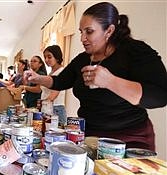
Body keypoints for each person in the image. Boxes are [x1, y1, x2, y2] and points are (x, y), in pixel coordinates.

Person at [24, 2, 167, 151]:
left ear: (109, 30)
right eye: (81, 32)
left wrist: (110, 81)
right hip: (90, 136)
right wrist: (37, 78)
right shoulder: (82, 59)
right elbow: (60, 81)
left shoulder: (135, 52)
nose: (82, 38)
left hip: (129, 139)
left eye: (89, 31)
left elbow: (159, 96)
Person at [41, 45, 67, 126]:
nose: (46, 60)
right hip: (47, 108)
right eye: (45, 57)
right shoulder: (50, 73)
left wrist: (40, 105)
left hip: (55, 109)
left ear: (57, 57)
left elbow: (53, 96)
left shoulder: (61, 72)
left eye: (49, 57)